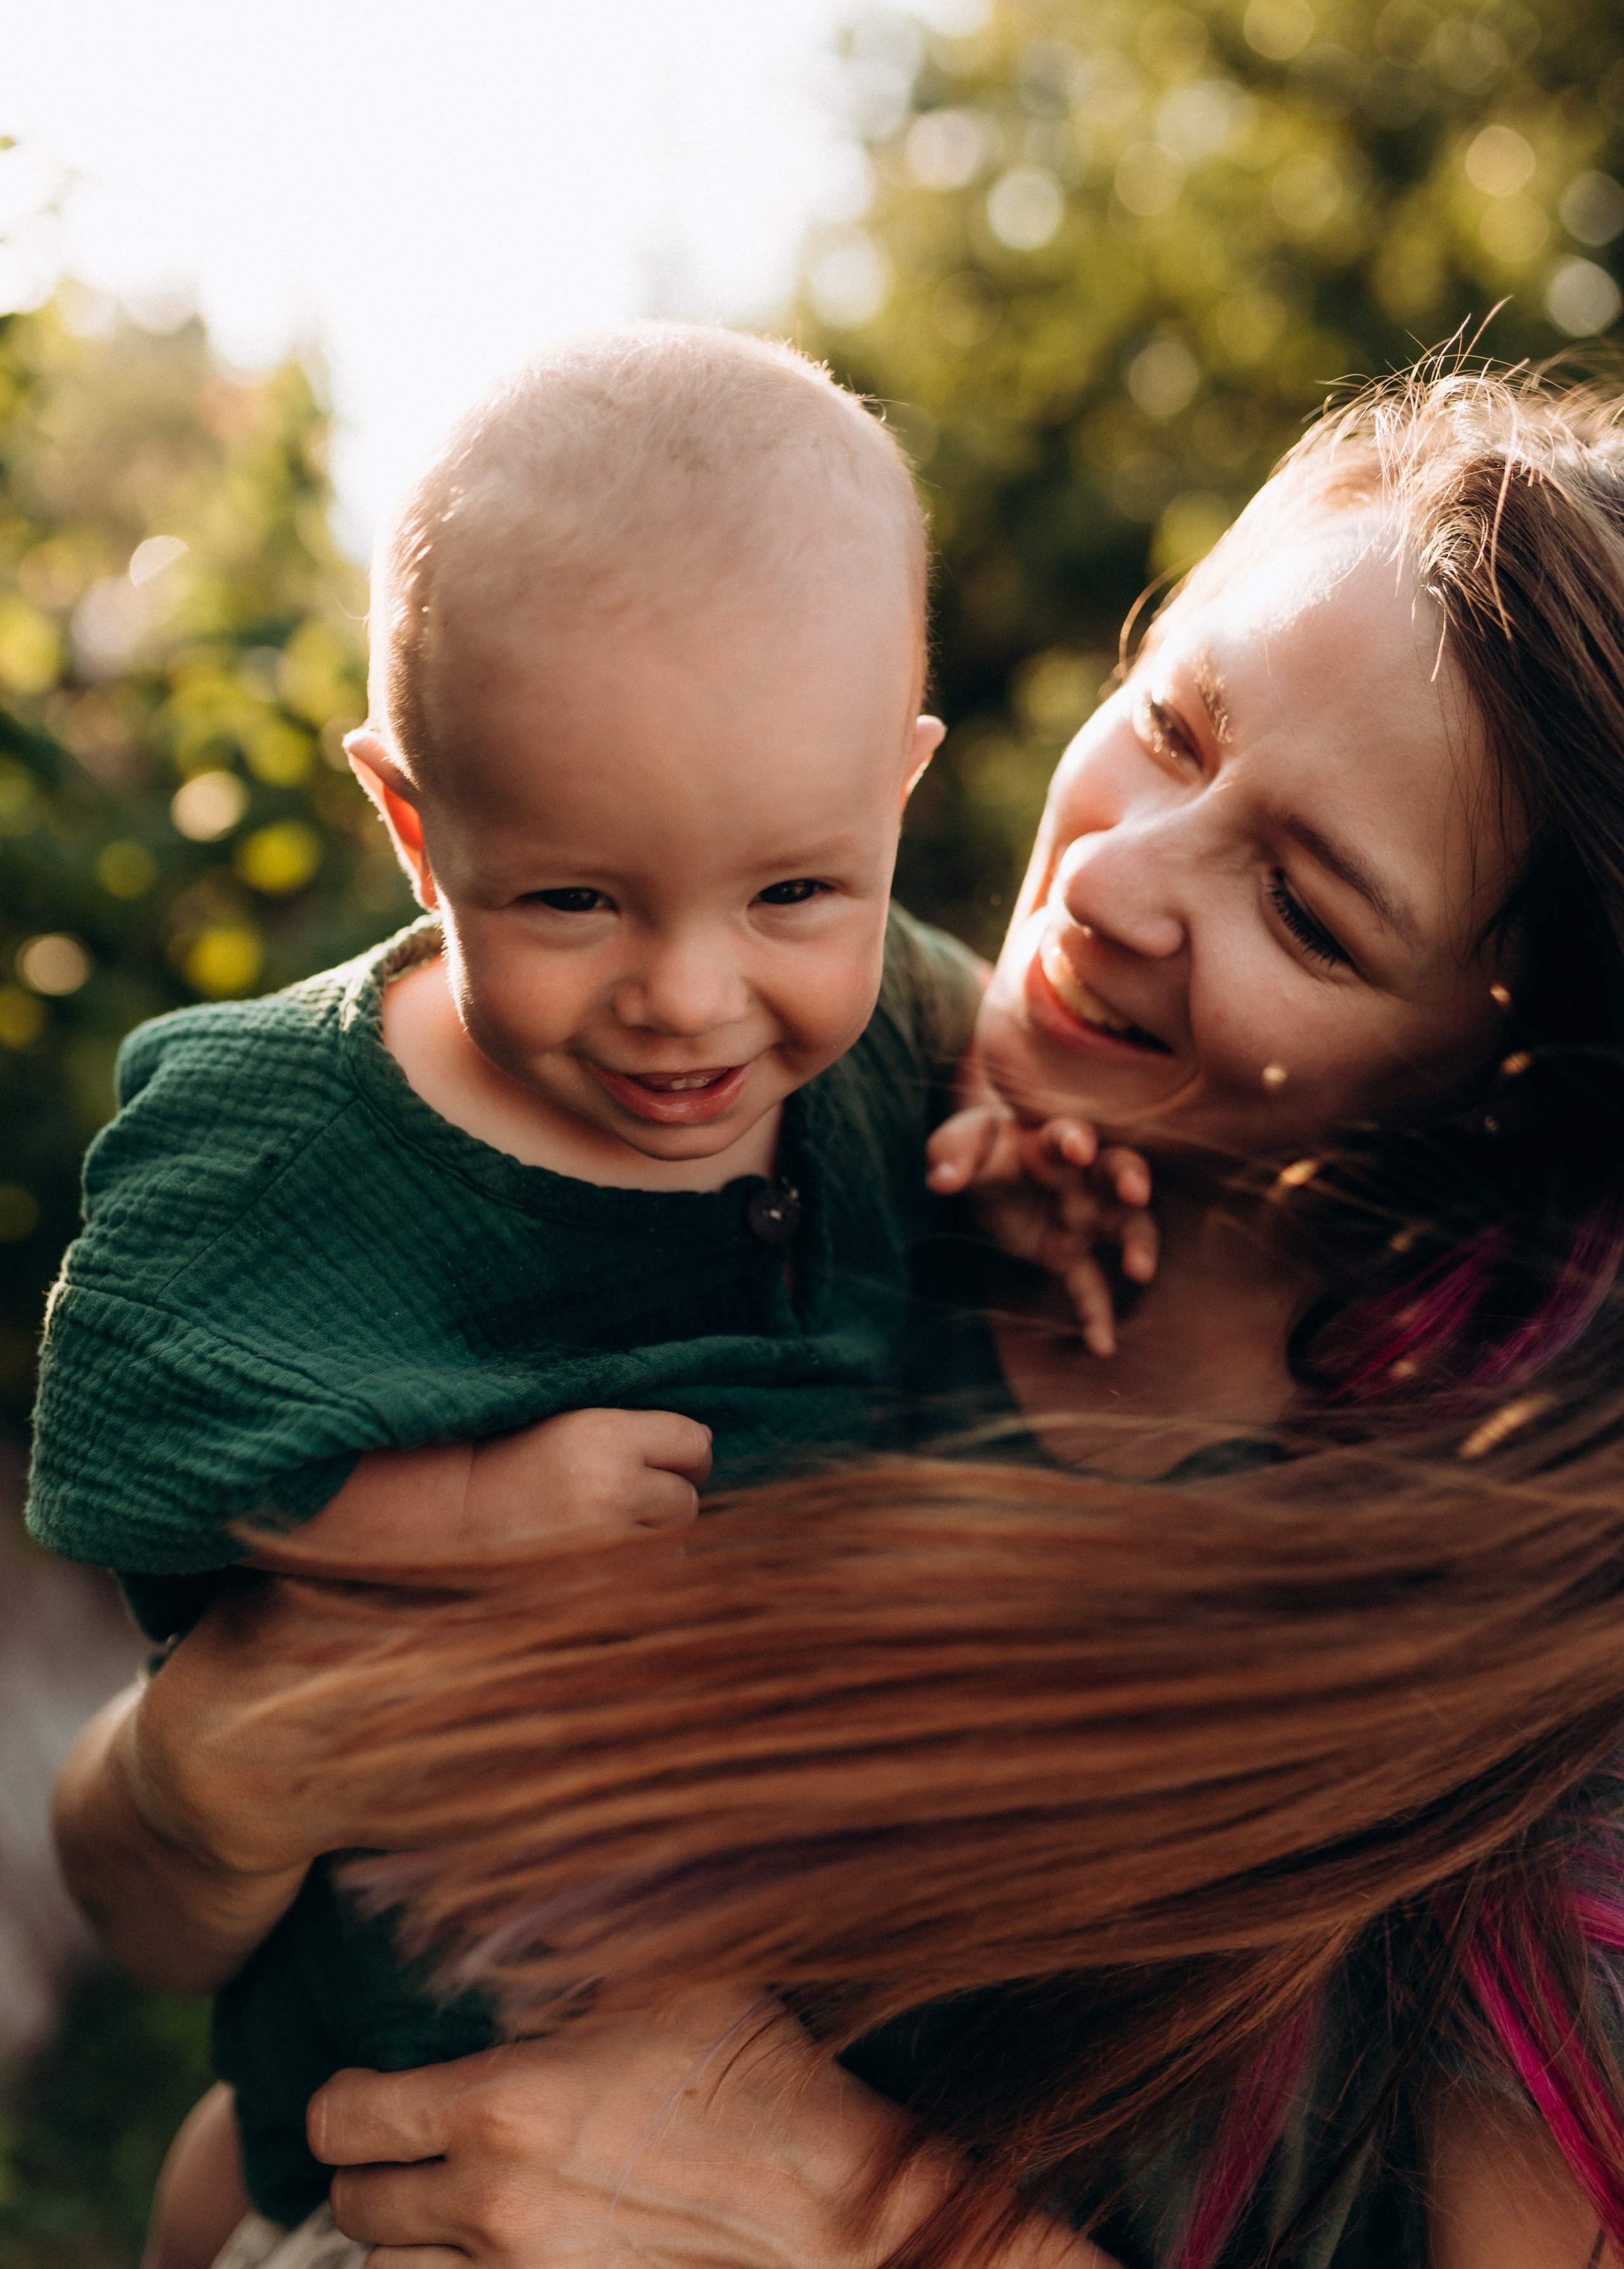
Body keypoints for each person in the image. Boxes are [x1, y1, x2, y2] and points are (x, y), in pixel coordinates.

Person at [53, 363, 1624, 2266]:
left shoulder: (1519, 1701)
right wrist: (199, 1785)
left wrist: (862, 2224)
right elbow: (209, 1970)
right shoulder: (837, 1144)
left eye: (1305, 909)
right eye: (1175, 727)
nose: (1118, 877)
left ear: (1507, 1077)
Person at [27, 320, 1062, 2266]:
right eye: (573, 901)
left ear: (894, 798)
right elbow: (139, 1433)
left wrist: (1039, 1127)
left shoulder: (891, 1020)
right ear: (418, 825)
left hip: (772, 2074)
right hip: (430, 2124)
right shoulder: (285, 1134)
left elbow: (986, 1047)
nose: (690, 994)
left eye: (793, 895)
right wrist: (457, 1517)